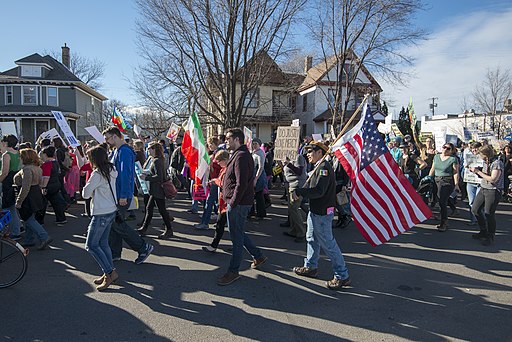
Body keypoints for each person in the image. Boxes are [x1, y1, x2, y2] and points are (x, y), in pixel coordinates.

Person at [291, 141, 351, 290]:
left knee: (328, 244)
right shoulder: (318, 166)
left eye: (311, 151)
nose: (308, 154)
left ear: (319, 153)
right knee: (311, 239)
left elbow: (319, 191)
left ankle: (342, 275)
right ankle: (311, 267)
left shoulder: (324, 168)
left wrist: (300, 192)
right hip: (315, 211)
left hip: (323, 213)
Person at [217, 128, 267, 286]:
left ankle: (233, 271)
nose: (226, 141)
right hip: (237, 203)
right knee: (238, 233)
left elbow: (241, 183)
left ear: (236, 139)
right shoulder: (238, 154)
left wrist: (232, 202)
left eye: (228, 138)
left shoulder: (242, 156)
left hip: (238, 204)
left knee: (236, 238)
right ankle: (258, 255)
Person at [102, 127, 154, 264]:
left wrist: (124, 195)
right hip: (117, 194)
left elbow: (126, 175)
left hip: (121, 194)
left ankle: (143, 247)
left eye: (107, 138)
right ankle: (115, 253)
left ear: (115, 137)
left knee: (117, 223)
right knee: (114, 224)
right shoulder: (118, 151)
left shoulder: (124, 152)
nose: (106, 141)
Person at [82, 145, 120, 291]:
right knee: (103, 244)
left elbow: (85, 194)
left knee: (91, 245)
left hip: (101, 212)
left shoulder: (97, 174)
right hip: (111, 209)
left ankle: (110, 272)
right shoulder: (111, 169)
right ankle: (108, 272)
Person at [14, 148, 52, 250]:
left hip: (28, 195)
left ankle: (44, 236)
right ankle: (29, 239)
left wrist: (19, 201)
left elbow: (25, 187)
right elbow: (39, 182)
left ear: (25, 158)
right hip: (35, 194)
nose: (19, 158)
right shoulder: (38, 168)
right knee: (30, 217)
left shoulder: (27, 169)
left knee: (28, 218)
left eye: (20, 156)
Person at [137, 142, 174, 239]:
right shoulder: (155, 159)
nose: (147, 150)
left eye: (149, 148)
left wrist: (146, 178)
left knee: (161, 210)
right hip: (154, 190)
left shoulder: (157, 161)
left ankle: (169, 230)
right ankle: (144, 228)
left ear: (154, 149)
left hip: (158, 190)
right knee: (150, 209)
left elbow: (159, 177)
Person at [470, 145, 504, 246]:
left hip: (493, 190)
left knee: (489, 213)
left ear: (486, 154)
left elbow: (493, 179)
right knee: (475, 209)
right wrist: (476, 171)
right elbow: (484, 175)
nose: (480, 156)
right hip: (483, 188)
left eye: (481, 154)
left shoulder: (497, 163)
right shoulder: (486, 162)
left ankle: (490, 235)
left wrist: (478, 172)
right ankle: (483, 230)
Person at [202, 150, 230, 252]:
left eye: (219, 161)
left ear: (225, 160)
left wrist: (215, 181)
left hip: (227, 202)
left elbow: (224, 183)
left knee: (224, 225)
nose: (218, 163)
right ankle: (214, 245)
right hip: (224, 201)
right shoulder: (224, 169)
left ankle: (214, 245)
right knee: (222, 225)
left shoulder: (228, 170)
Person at [429, 142, 460, 232]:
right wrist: (429, 178)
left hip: (447, 181)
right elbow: (433, 168)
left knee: (442, 201)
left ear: (451, 151)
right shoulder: (436, 157)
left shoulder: (453, 159)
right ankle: (448, 214)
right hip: (436, 180)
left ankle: (444, 222)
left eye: (448, 148)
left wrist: (456, 184)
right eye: (444, 147)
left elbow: (455, 172)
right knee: (438, 199)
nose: (445, 149)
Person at [194, 136, 221, 229]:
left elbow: (220, 166)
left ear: (214, 144)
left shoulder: (218, 153)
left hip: (217, 181)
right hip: (214, 180)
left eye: (210, 145)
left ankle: (205, 223)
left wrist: (211, 164)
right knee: (213, 202)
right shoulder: (214, 153)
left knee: (211, 202)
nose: (209, 147)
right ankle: (216, 222)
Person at [37, 146, 68, 225]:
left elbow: (46, 177)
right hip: (55, 184)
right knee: (56, 204)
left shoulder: (47, 164)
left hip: (48, 186)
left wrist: (43, 187)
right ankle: (61, 219)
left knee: (42, 204)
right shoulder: (55, 162)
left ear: (45, 154)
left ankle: (39, 220)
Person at [0, 134, 22, 239]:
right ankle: (19, 227)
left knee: (9, 207)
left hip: (8, 181)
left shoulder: (6, 155)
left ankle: (15, 231)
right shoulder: (18, 153)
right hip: (17, 180)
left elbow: (4, 172)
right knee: (13, 206)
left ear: (6, 143)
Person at [282, 152, 307, 242]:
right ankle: (294, 230)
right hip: (291, 185)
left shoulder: (298, 157)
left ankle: (301, 233)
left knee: (294, 208)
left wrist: (288, 164)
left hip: (297, 186)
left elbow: (299, 172)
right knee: (292, 208)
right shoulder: (289, 156)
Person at [464, 142, 483, 225]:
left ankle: (481, 219)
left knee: (479, 203)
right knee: (471, 202)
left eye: (476, 148)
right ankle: (473, 219)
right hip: (470, 181)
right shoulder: (469, 157)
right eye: (473, 148)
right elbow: (464, 165)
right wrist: (467, 166)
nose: (474, 150)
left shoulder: (483, 158)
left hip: (480, 183)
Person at [249, 138, 267, 219]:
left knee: (259, 195)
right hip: (254, 175)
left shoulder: (260, 153)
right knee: (253, 195)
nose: (254, 145)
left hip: (258, 176)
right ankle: (252, 212)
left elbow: (261, 167)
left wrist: (256, 179)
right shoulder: (253, 153)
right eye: (253, 144)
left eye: (256, 144)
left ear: (259, 144)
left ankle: (261, 214)